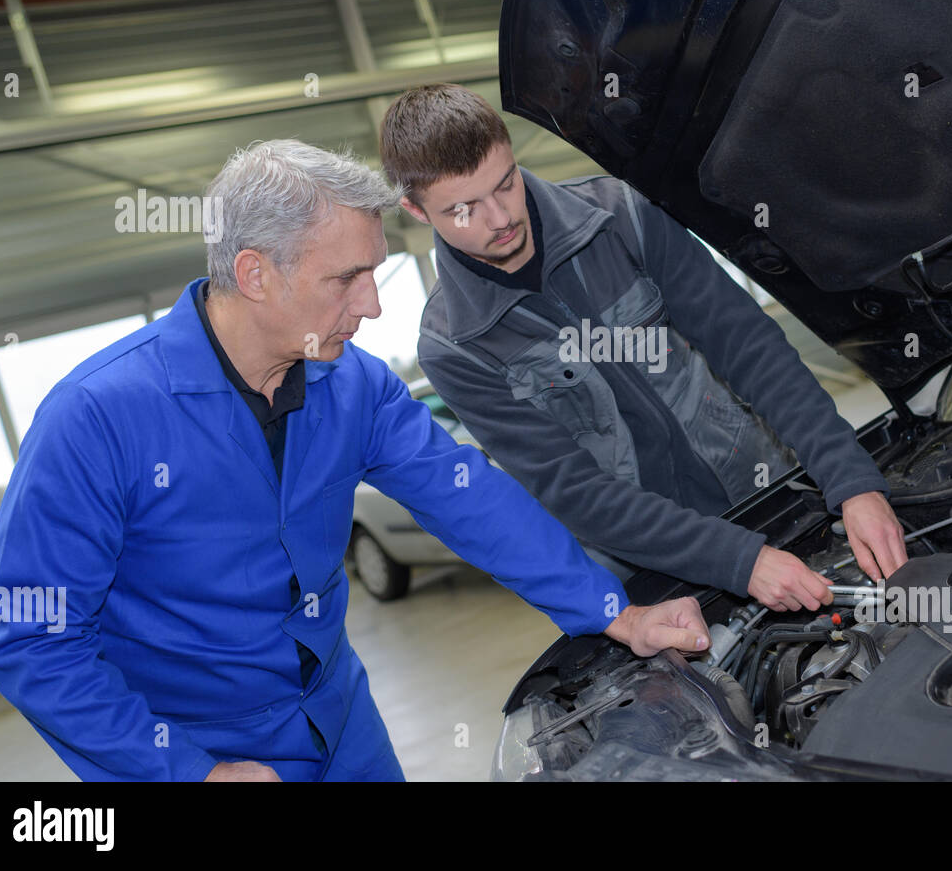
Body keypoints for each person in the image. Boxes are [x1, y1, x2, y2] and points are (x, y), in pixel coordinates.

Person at [0, 139, 708, 782]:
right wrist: (184, 770)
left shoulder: (351, 382)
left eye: (376, 273)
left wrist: (613, 611)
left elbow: (467, 497)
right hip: (193, 747)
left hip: (342, 725)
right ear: (256, 273)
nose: (373, 306)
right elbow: (31, 641)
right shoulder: (96, 420)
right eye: (346, 279)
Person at [382, 84, 909, 614]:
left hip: (763, 490)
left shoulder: (622, 218)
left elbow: (750, 348)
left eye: (506, 184)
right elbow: (573, 491)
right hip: (646, 574)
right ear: (416, 210)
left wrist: (849, 480)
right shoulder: (455, 347)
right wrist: (737, 560)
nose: (500, 219)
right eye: (464, 209)